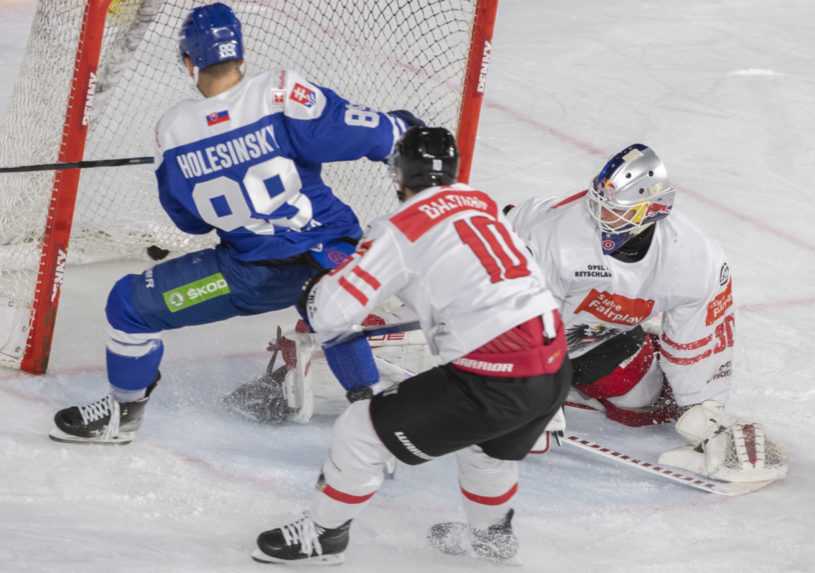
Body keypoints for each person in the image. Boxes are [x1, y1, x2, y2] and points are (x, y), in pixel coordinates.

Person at [48, 2, 423, 444]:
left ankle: (124, 411)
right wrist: (401, 126)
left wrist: (184, 161)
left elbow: (187, 221)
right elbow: (370, 135)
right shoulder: (280, 92)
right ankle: (375, 427)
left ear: (189, 62)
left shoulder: (174, 131)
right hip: (333, 257)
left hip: (249, 275)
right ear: (241, 55)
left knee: (130, 304)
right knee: (331, 307)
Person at [251, 126, 571, 565]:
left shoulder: (400, 228)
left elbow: (331, 313)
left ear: (398, 173)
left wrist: (314, 290)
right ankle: (491, 540)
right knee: (487, 452)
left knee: (359, 430)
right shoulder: (482, 202)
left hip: (496, 377)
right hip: (554, 364)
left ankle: (323, 537)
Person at [507, 143, 787, 483]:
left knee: (642, 402)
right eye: (598, 203)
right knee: (506, 407)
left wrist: (704, 410)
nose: (598, 215)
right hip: (520, 326)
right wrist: (533, 389)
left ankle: (641, 350)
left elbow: (702, 330)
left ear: (650, 212)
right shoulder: (554, 235)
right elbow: (516, 313)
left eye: (614, 211)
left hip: (591, 333)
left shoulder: (694, 257)